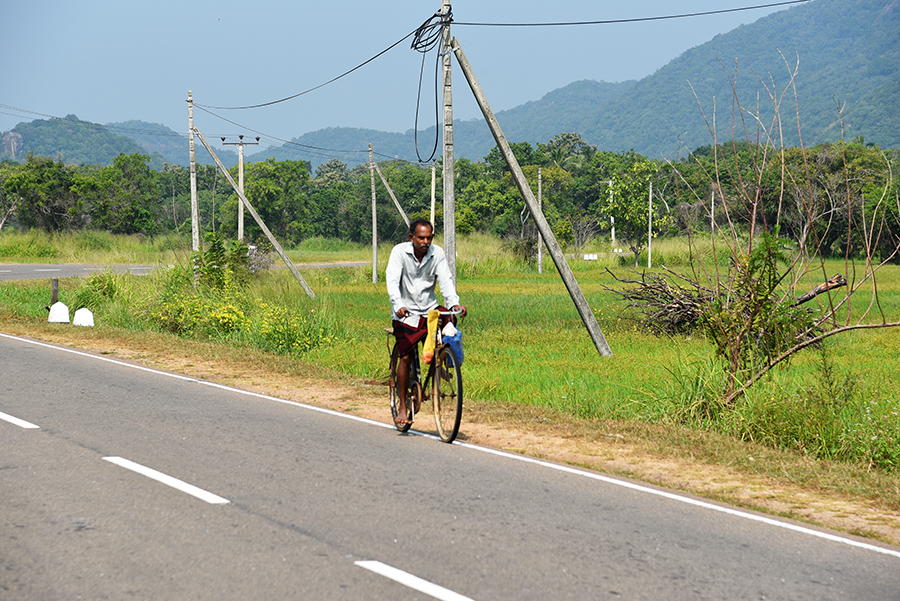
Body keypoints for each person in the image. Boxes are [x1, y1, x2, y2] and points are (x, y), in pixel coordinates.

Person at [386, 218, 466, 425]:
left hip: (429, 308)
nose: (425, 242)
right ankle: (403, 406)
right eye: (421, 238)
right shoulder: (399, 253)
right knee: (405, 357)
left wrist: (454, 304)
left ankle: (441, 363)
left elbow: (446, 281)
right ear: (412, 238)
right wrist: (398, 305)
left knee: (449, 322)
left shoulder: (436, 253)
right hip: (407, 312)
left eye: (429, 238)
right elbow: (392, 281)